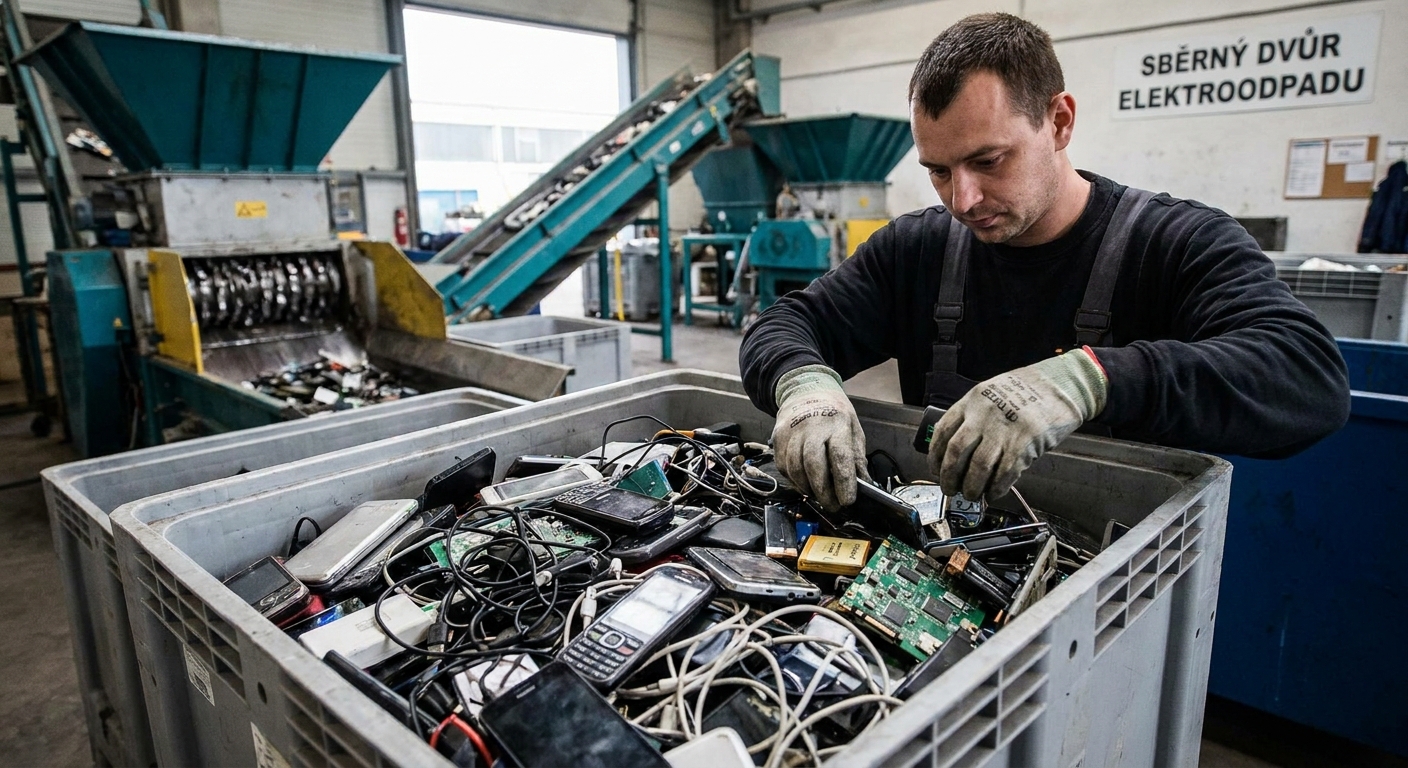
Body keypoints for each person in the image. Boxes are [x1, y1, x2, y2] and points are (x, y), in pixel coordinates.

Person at [739, 12, 1350, 511]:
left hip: (1112, 569)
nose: (963, 199)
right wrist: (805, 387)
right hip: (947, 560)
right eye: (939, 171)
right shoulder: (916, 250)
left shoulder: (1177, 243)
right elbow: (785, 325)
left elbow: (1307, 377)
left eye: (988, 160)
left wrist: (1092, 379)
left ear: (1059, 122)